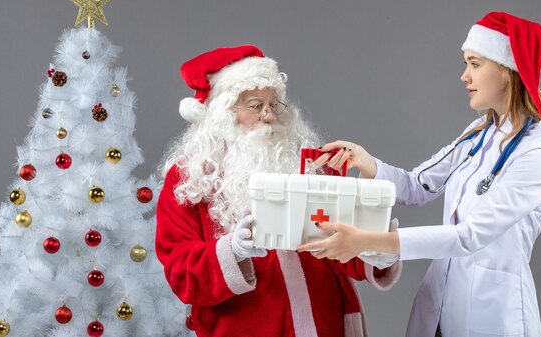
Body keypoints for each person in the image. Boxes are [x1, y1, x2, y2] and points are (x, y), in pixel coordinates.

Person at [298, 12, 541, 337]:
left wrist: (368, 242)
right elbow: (419, 185)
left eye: (474, 64)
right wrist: (364, 160)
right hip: (441, 304)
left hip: (492, 312)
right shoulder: (478, 133)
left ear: (506, 71)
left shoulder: (538, 151)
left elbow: (469, 236)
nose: (464, 76)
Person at [155, 45, 402, 337]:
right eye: (255, 105)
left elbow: (338, 245)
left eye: (274, 104)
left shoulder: (311, 163)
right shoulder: (190, 178)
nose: (269, 115)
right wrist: (231, 252)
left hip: (327, 325)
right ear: (222, 113)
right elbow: (180, 271)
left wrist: (375, 248)